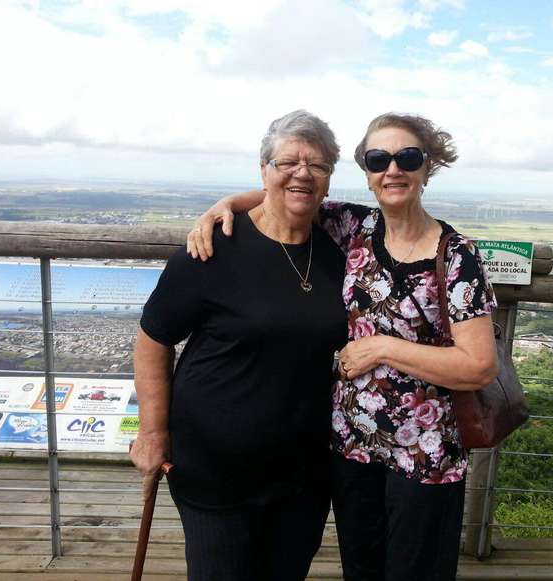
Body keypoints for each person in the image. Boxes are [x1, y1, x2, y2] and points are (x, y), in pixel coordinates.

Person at [188, 113, 498, 581]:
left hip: (425, 453)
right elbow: (288, 195)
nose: (393, 169)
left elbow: (477, 366)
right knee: (362, 568)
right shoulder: (353, 226)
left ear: (427, 167)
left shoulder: (456, 256)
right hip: (352, 446)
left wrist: (381, 348)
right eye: (379, 159)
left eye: (407, 158)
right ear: (367, 173)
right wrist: (224, 204)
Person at [130, 110, 348, 581]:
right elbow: (153, 337)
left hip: (303, 473)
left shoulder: (338, 251)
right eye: (287, 161)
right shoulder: (215, 246)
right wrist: (152, 432)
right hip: (214, 468)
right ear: (263, 169)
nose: (302, 174)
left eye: (318, 165)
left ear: (330, 180)